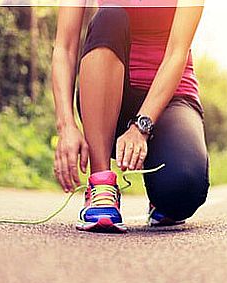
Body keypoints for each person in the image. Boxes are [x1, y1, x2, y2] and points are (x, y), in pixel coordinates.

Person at [51, 0, 209, 232]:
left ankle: (161, 192)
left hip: (170, 98)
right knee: (110, 15)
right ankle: (101, 185)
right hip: (107, 94)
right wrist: (66, 126)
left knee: (181, 189)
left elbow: (178, 52)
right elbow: (64, 48)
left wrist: (141, 126)